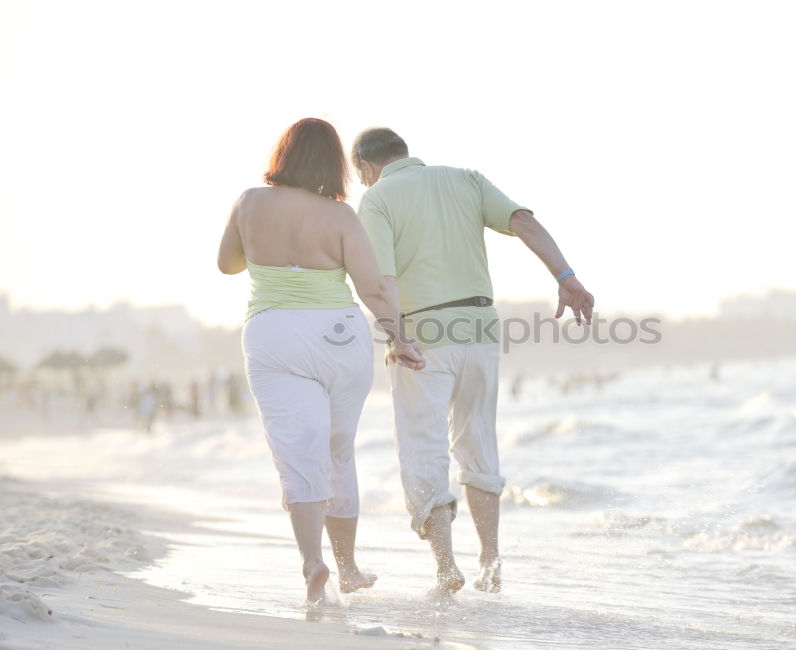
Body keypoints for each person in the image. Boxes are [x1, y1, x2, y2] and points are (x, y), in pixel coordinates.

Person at [352, 127, 594, 596]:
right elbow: (523, 221)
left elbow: (382, 279)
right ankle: (490, 558)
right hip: (481, 327)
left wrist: (396, 335)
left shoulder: (378, 198)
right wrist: (567, 277)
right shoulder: (466, 179)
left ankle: (446, 568)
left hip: (423, 331)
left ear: (364, 165)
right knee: (478, 439)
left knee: (423, 448)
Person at [217, 118, 425, 603]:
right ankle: (348, 568)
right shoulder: (341, 216)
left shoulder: (249, 202)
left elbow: (227, 264)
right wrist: (400, 339)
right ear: (335, 164)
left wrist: (271, 250)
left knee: (298, 451)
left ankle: (314, 563)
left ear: (282, 155)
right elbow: (372, 287)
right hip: (338, 335)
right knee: (337, 451)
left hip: (273, 334)